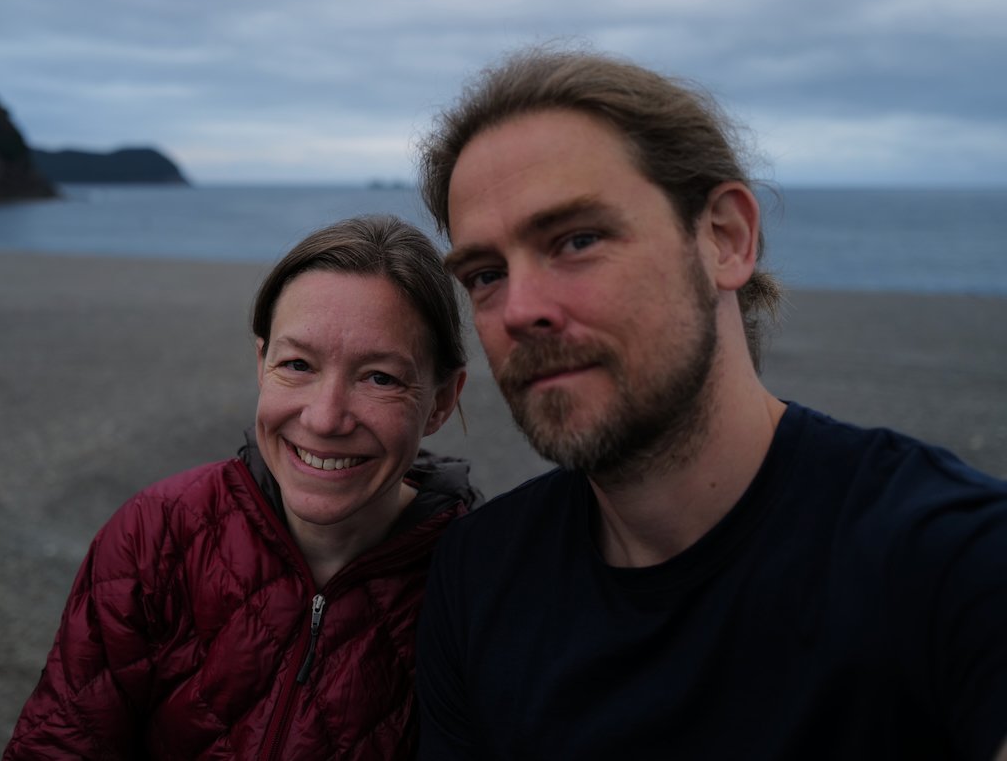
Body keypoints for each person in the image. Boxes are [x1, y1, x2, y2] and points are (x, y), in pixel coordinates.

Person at [413, 46, 1007, 760]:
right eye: (485, 274)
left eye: (577, 239)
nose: (519, 310)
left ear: (726, 238)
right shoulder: (477, 577)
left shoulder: (949, 561)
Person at [4, 214, 474, 759]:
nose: (324, 419)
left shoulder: (478, 583)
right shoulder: (156, 534)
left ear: (442, 399)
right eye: (297, 364)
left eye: (379, 378)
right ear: (261, 363)